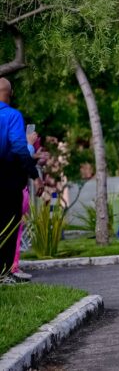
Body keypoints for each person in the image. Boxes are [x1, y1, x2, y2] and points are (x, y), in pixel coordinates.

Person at [0, 78, 42, 284]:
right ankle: (3, 274)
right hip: (8, 181)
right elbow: (18, 148)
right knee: (8, 227)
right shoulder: (11, 116)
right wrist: (35, 175)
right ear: (10, 92)